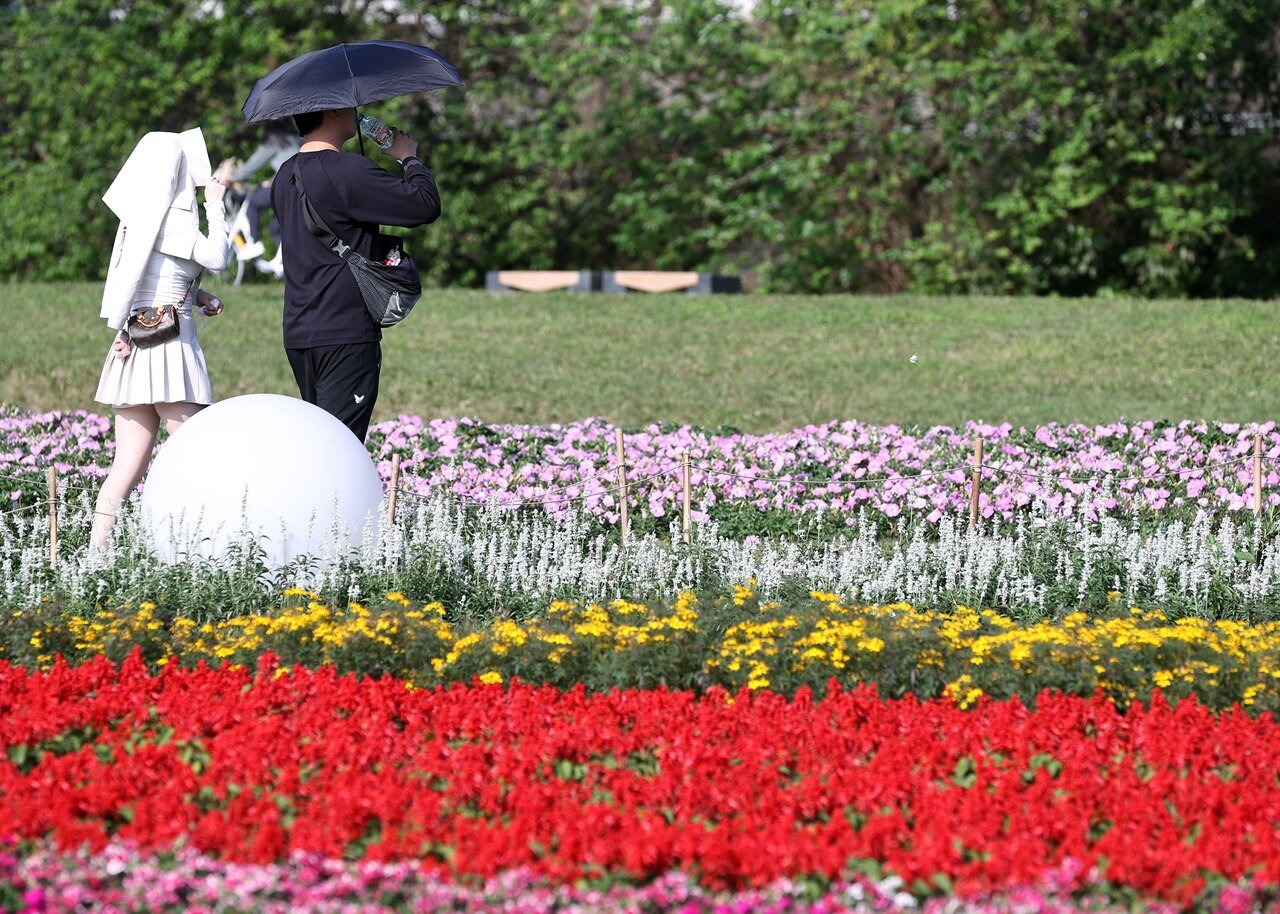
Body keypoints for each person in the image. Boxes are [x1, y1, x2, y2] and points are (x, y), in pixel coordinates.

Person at [91, 127, 231, 550]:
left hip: (133, 344)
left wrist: (200, 294)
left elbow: (148, 280)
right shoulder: (177, 221)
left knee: (124, 468)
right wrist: (216, 206)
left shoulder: (137, 223)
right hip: (170, 349)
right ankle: (197, 549)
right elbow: (219, 257)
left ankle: (94, 558)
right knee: (196, 456)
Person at [271, 107, 440, 442]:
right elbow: (424, 204)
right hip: (345, 331)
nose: (357, 113)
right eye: (350, 106)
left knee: (321, 440)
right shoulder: (346, 170)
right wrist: (409, 158)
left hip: (300, 331)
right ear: (333, 111)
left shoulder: (284, 174)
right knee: (339, 449)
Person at [228, 118, 300, 260]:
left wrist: (231, 179)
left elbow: (251, 166)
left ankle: (254, 243)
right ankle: (285, 264)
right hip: (302, 188)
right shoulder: (296, 140)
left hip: (288, 187)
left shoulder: (274, 143)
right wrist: (273, 180)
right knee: (275, 227)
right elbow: (294, 164)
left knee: (253, 203)